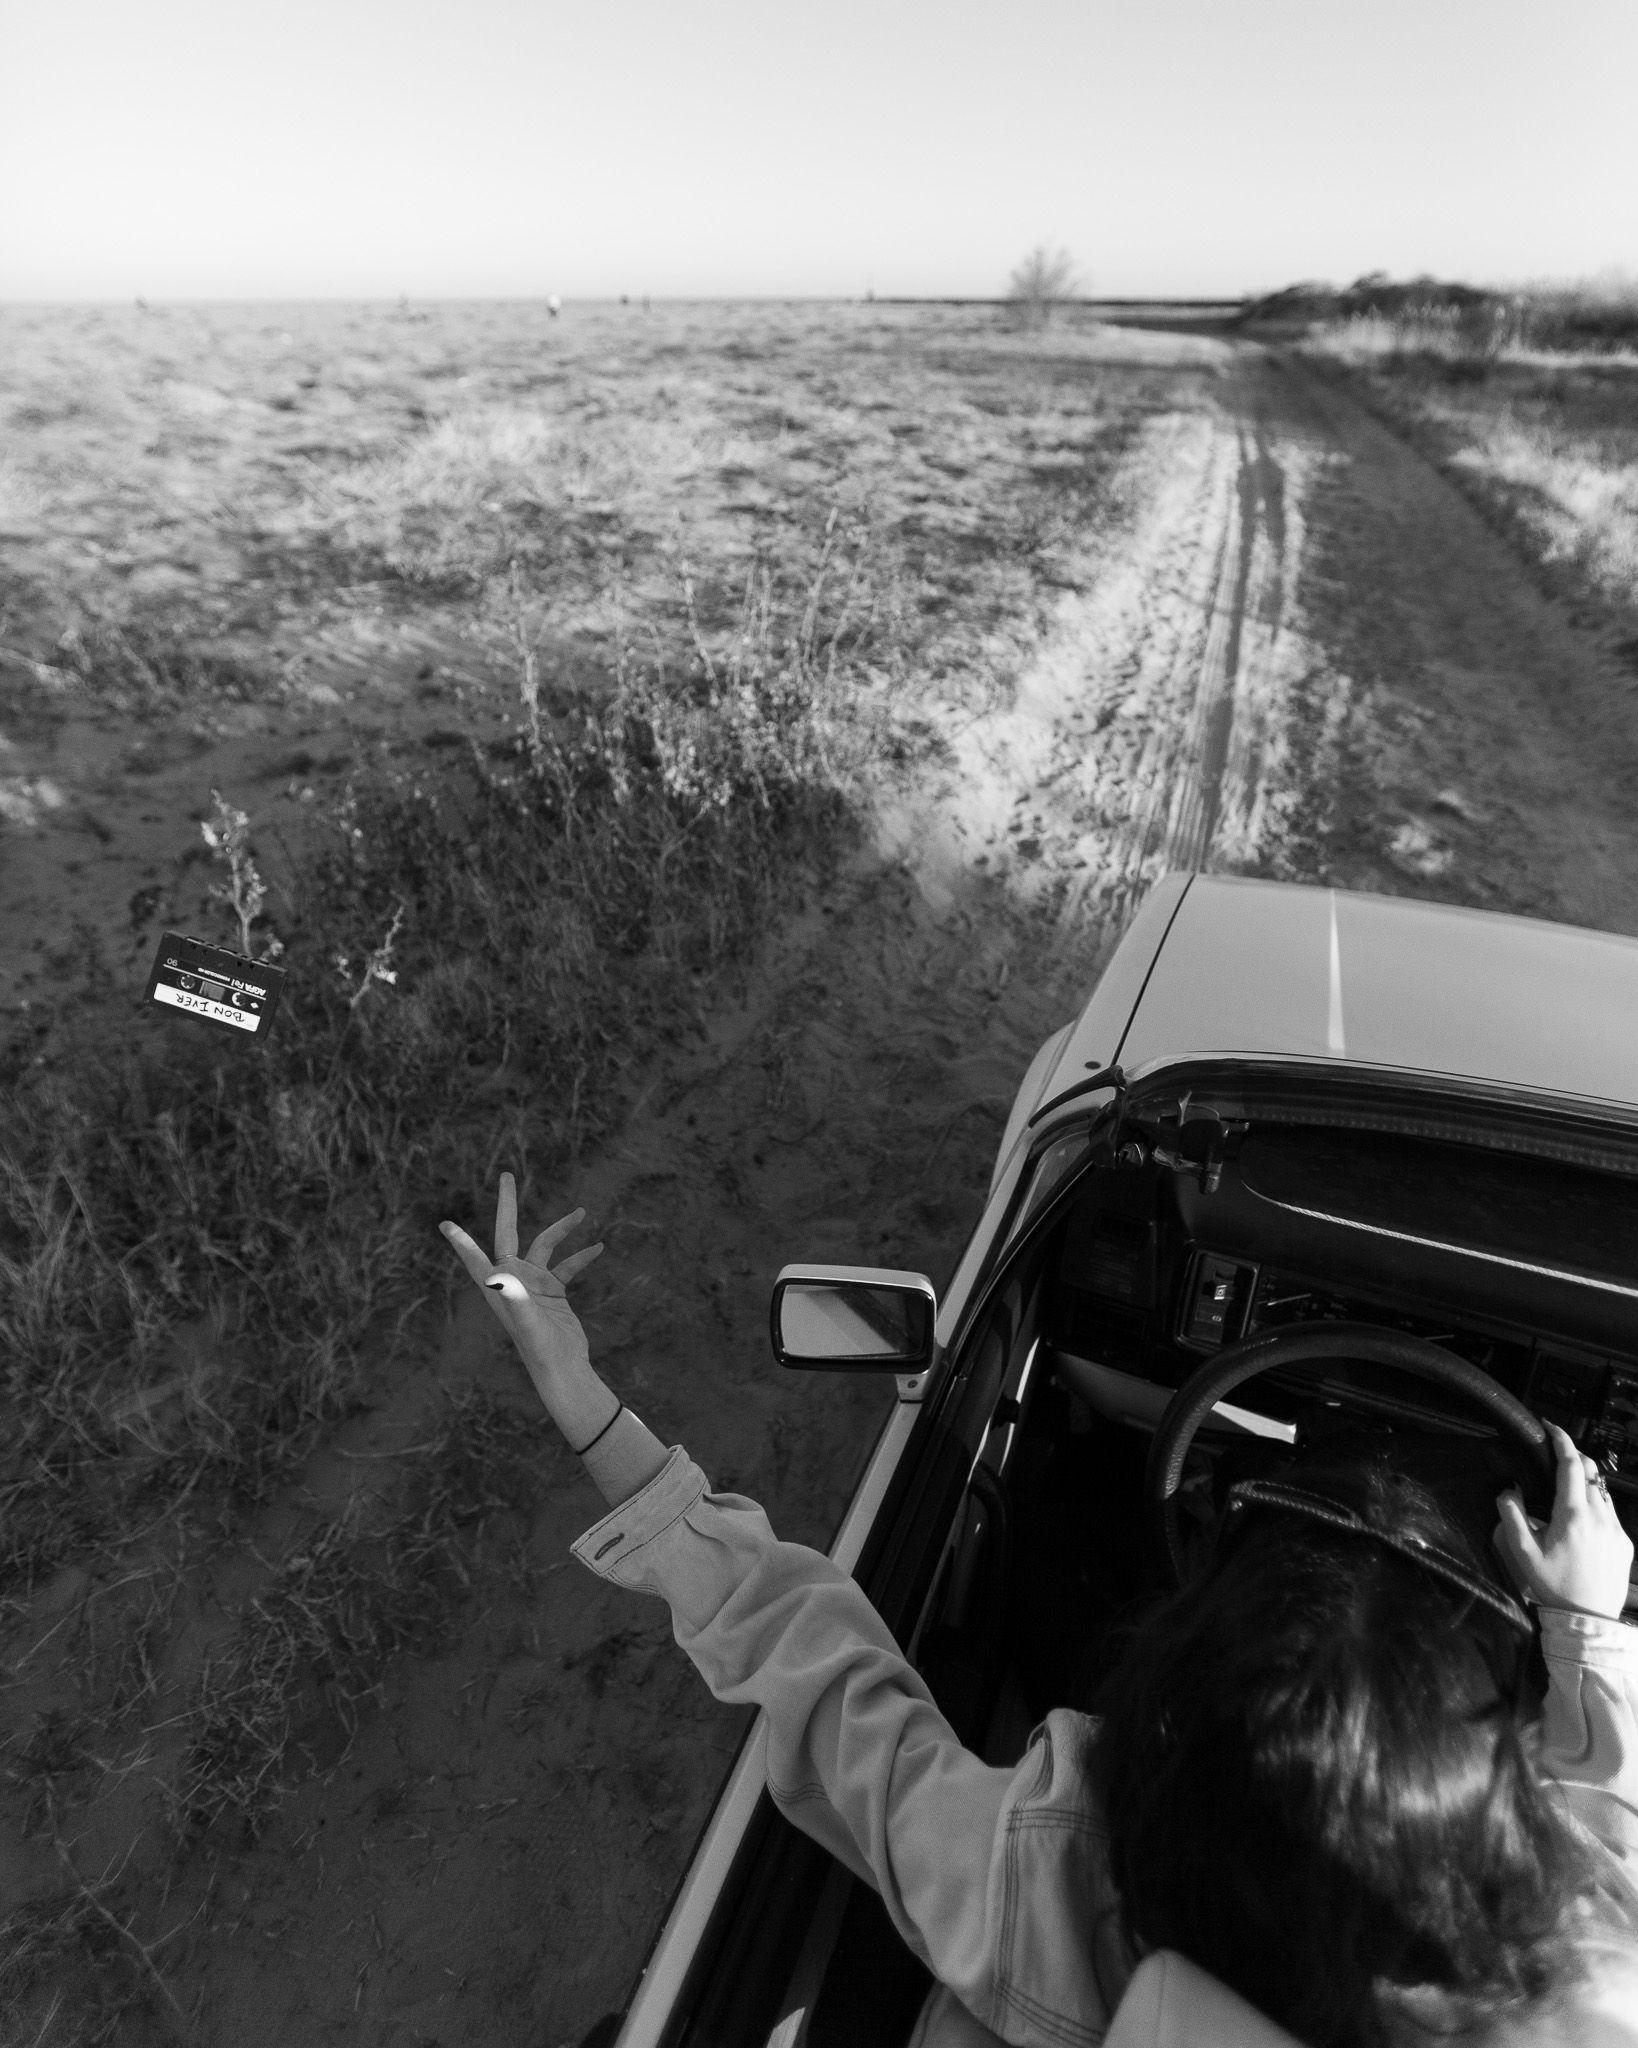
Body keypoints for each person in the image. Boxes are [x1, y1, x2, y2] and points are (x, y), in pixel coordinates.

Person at [440, 1177, 1638, 2047]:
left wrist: (583, 1395)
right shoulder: (1584, 1981)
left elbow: (805, 1655)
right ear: (1485, 1831)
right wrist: (1581, 1631)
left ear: (1146, 1743)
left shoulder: (1033, 1881)